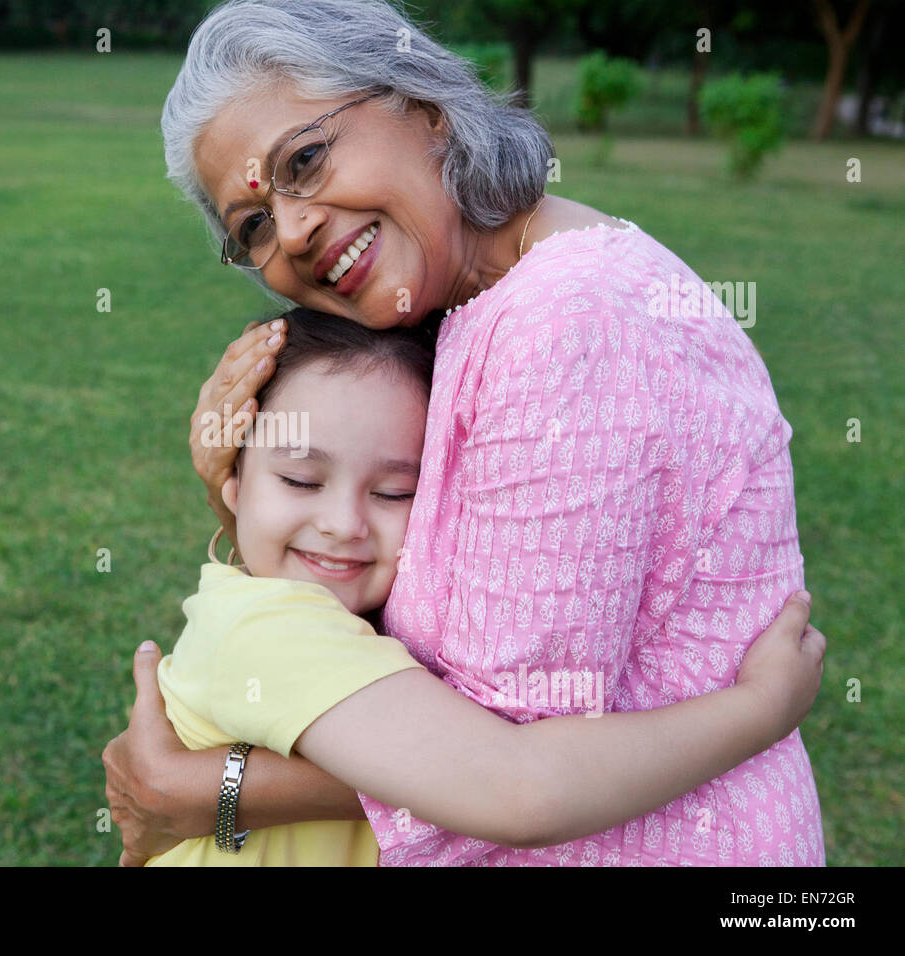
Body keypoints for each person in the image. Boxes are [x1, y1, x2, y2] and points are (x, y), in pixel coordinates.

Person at [106, 0, 826, 866]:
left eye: (304, 159)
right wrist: (239, 493)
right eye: (252, 228)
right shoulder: (471, 310)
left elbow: (504, 757)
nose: (290, 230)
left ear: (425, 108)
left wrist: (207, 791)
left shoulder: (563, 323)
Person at [144, 307, 823, 867]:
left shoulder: (303, 610)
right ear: (230, 486)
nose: (342, 524)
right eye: (299, 480)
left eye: (394, 492)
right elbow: (520, 791)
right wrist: (761, 707)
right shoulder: (272, 633)